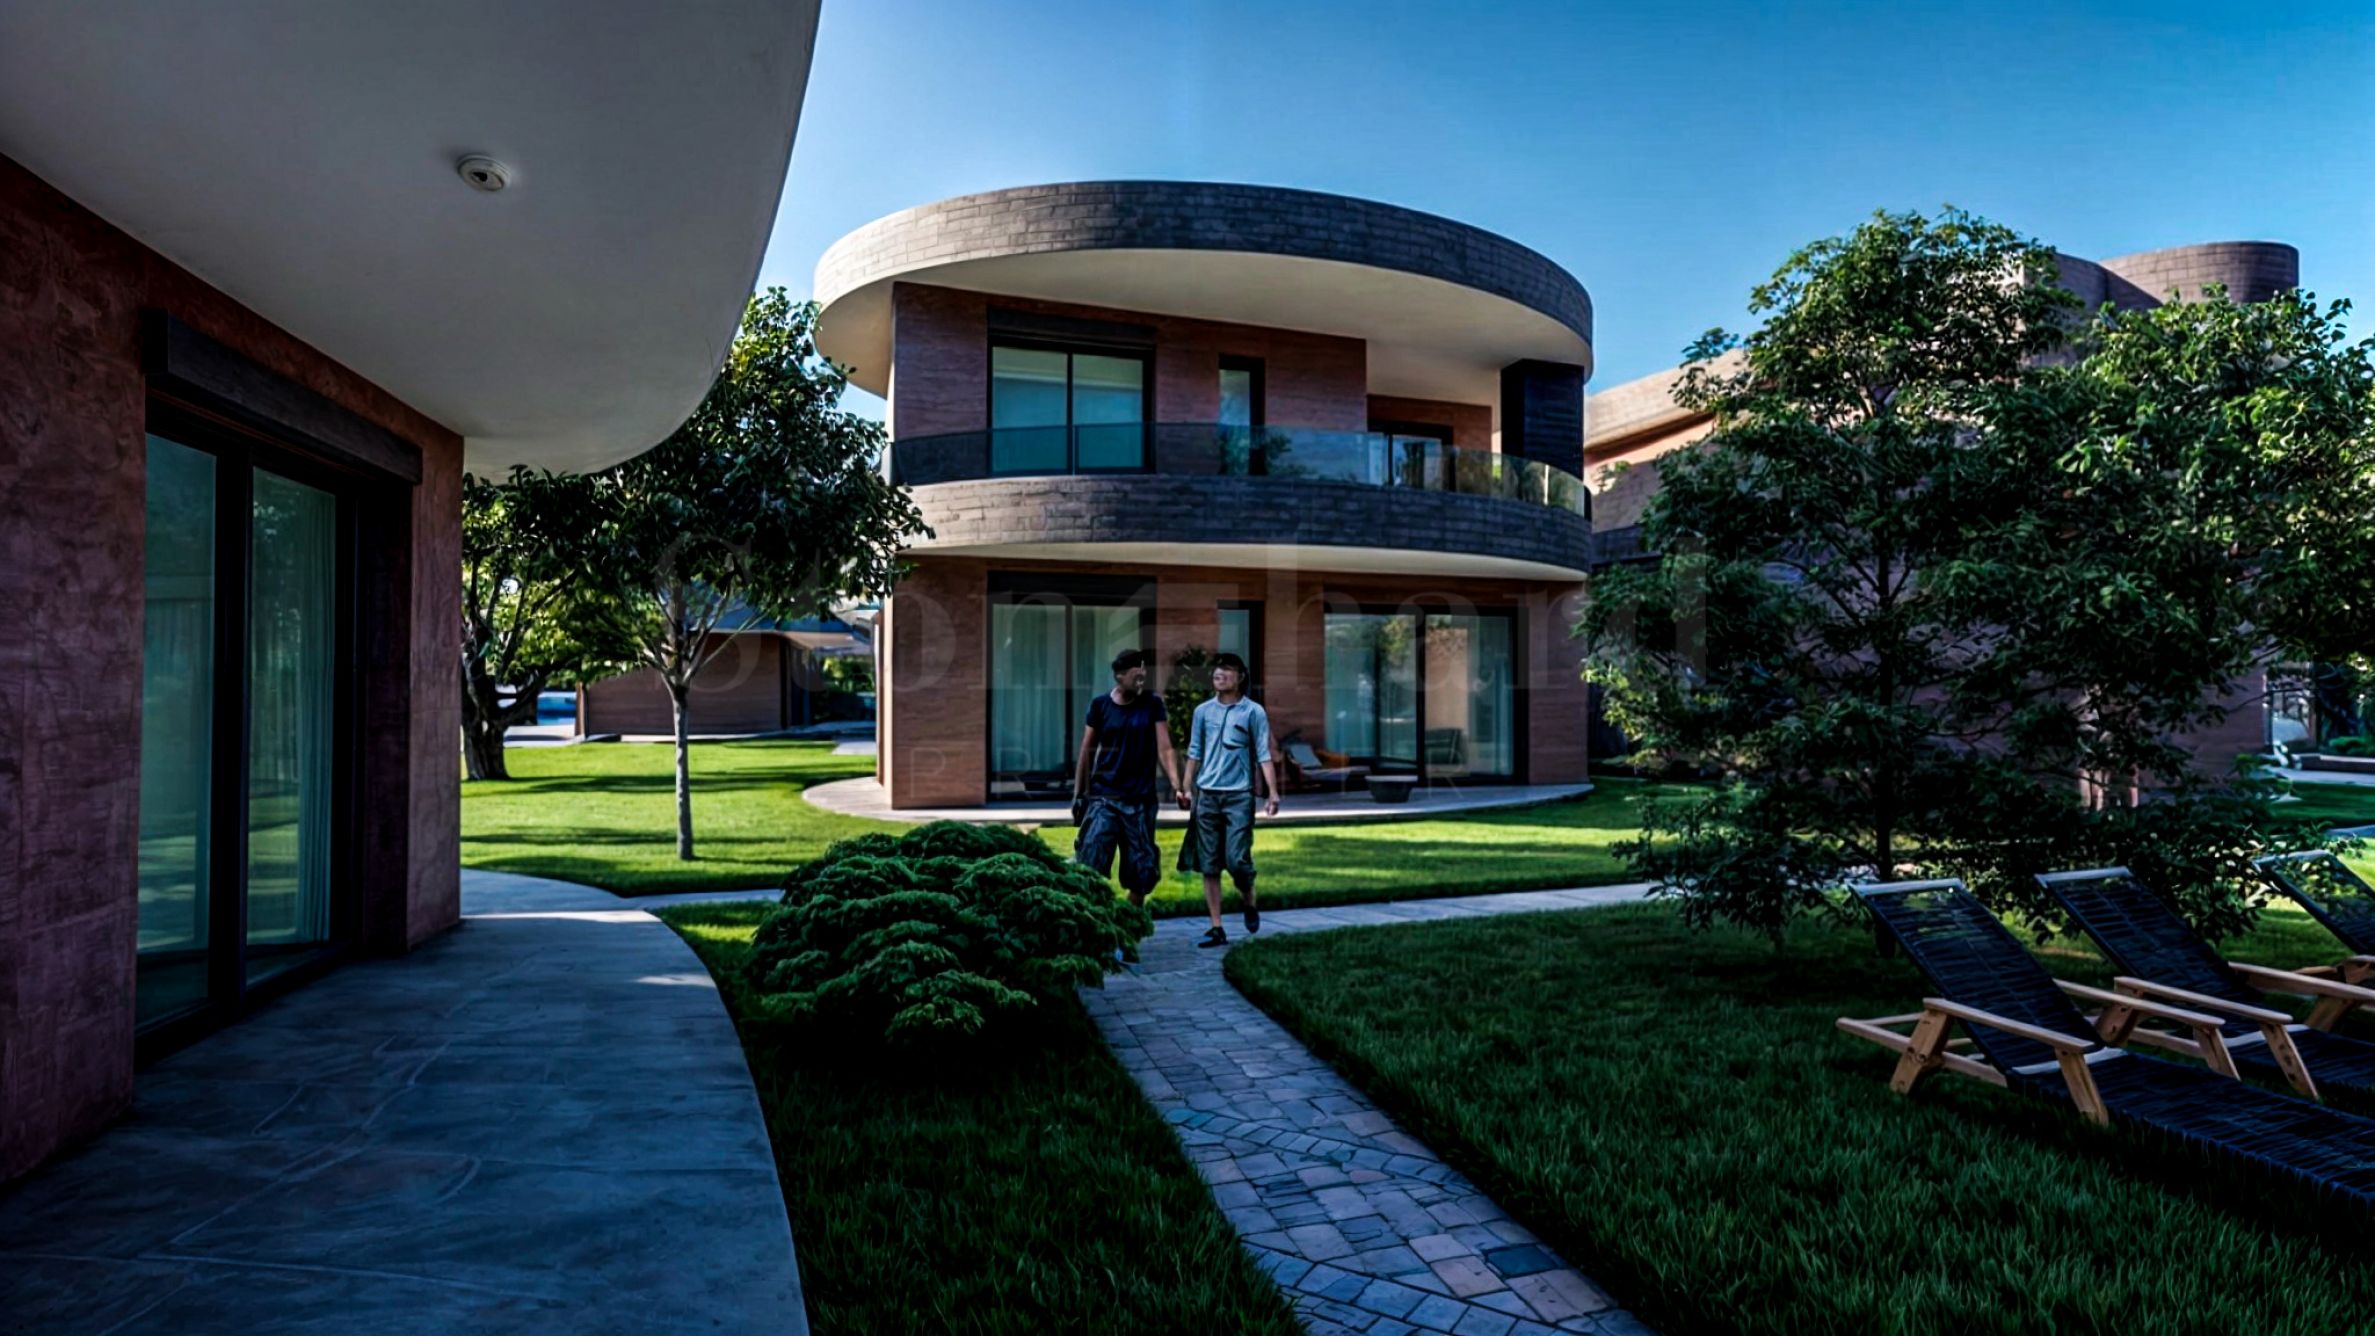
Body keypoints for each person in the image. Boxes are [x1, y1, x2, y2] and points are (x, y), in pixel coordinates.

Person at [1072, 648, 1188, 907]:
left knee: (1142, 872)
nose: (1141, 681)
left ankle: (1129, 921)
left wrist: (1177, 785)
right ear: (1119, 676)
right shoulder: (1101, 705)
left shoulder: (1152, 704)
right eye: (1136, 677)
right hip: (1104, 797)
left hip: (1140, 800)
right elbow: (1087, 751)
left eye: (1143, 676)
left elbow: (1165, 748)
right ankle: (1097, 920)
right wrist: (1079, 794)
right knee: (1089, 863)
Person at [1185, 652, 1280, 948]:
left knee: (1237, 860)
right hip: (1207, 795)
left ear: (1240, 677)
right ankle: (1217, 927)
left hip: (1239, 796)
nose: (1219, 673)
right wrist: (1185, 787)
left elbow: (1263, 753)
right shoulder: (1202, 711)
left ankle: (1248, 900)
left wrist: (1273, 792)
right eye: (1217, 669)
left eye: (1227, 669)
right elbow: (1194, 750)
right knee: (1210, 864)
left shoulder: (1253, 712)